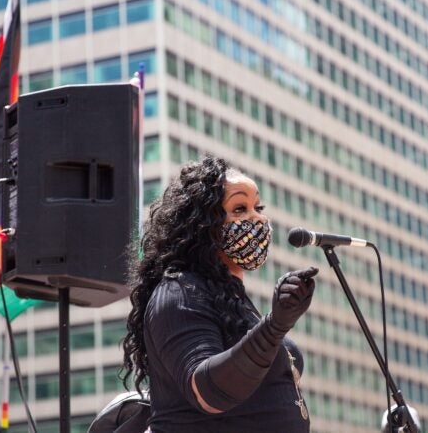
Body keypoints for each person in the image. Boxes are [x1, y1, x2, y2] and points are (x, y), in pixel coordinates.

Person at [121, 156, 318, 433]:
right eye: (240, 208)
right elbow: (207, 392)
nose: (258, 219)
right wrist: (275, 326)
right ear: (202, 224)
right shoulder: (179, 293)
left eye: (258, 207)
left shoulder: (233, 301)